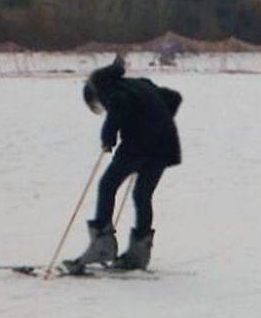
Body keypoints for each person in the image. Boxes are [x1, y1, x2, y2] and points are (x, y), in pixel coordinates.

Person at [66, 57, 183, 273]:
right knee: (141, 195)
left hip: (139, 144)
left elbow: (119, 106)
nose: (101, 107)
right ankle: (139, 253)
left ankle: (102, 245)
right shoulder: (139, 84)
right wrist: (159, 120)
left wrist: (107, 138)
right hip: (165, 145)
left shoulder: (104, 87)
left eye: (98, 106)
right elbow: (173, 98)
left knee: (107, 185)